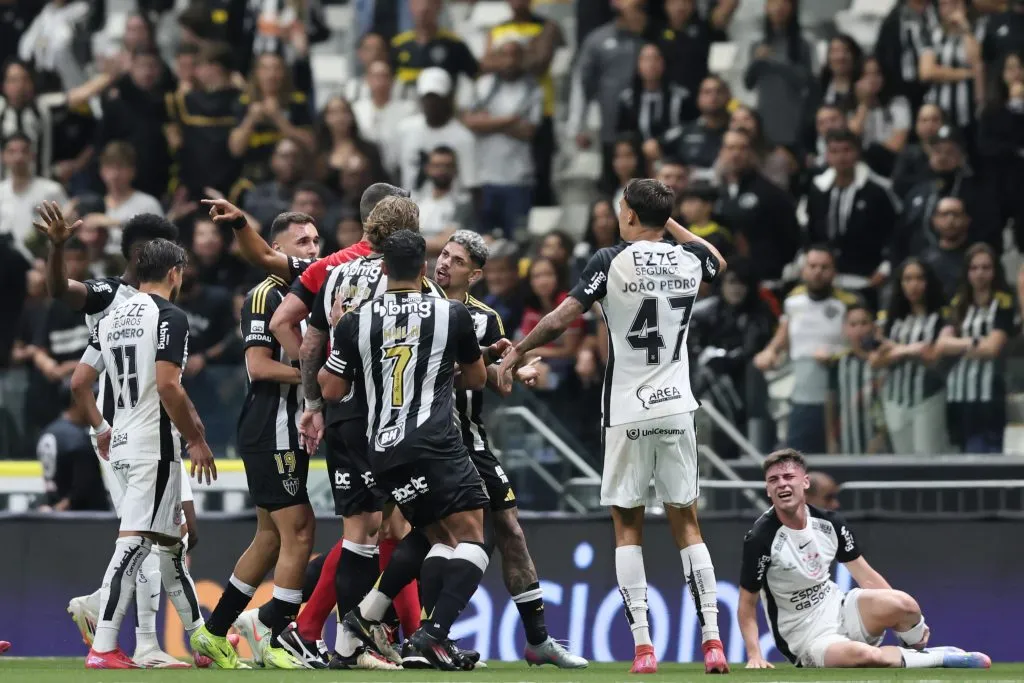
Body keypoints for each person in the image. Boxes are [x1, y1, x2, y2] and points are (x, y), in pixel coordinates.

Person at [499, 179, 729, 674]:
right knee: (687, 524)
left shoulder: (609, 261)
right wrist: (665, 220)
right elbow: (716, 260)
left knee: (628, 527)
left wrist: (517, 349)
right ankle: (712, 640)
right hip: (676, 406)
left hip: (627, 409)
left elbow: (562, 317)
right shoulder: (689, 260)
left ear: (627, 213)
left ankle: (644, 648)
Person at [322, 229, 491, 671]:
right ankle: (431, 635)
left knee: (434, 536)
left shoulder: (356, 320)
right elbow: (476, 380)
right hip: (434, 442)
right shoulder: (451, 313)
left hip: (382, 451)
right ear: (422, 269)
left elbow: (333, 387)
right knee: (473, 537)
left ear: (382, 269)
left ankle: (367, 617)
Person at [36, 208, 194, 668]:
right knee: (142, 535)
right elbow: (60, 290)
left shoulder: (155, 307)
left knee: (171, 534)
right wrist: (100, 427)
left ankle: (107, 608)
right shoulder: (111, 296)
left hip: (154, 430)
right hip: (126, 433)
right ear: (148, 255)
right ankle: (141, 641)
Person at [280, 197, 429, 668]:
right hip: (387, 417)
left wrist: (312, 405)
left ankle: (350, 638)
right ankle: (360, 640)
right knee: (397, 528)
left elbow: (309, 344)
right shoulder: (404, 281)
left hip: (341, 413)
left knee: (364, 533)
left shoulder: (338, 274)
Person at [430, 231, 587, 668]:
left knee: (510, 532)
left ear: (475, 274)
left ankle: (537, 640)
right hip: (420, 440)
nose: (444, 264)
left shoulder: (488, 321)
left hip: (469, 439)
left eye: (456, 261)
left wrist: (513, 373)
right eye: (443, 255)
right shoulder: (414, 302)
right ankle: (413, 634)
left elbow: (492, 379)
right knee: (418, 540)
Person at [74, 239, 216, 670]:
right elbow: (169, 384)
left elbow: (79, 380)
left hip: (121, 441)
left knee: (172, 546)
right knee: (134, 544)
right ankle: (104, 645)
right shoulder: (170, 316)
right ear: (175, 272)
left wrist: (101, 427)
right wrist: (195, 439)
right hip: (153, 445)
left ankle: (203, 641)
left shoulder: (112, 316)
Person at [191, 213, 322, 670]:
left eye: (316, 239)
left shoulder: (315, 290)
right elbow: (258, 367)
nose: (312, 247)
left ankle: (213, 632)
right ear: (277, 248)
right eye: (302, 241)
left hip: (286, 426)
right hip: (273, 425)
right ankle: (275, 633)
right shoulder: (267, 294)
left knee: (269, 537)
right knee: (300, 528)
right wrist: (318, 381)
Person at [738, 448, 990, 670]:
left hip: (840, 610)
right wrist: (754, 655)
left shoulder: (830, 522)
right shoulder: (761, 538)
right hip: (806, 639)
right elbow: (747, 606)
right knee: (865, 656)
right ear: (768, 490)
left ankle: (918, 648)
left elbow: (865, 575)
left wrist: (903, 615)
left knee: (905, 603)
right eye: (774, 480)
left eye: (788, 477)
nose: (782, 484)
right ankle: (939, 659)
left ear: (804, 482)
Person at [755, 247, 857, 454]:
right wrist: (771, 351)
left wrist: (837, 356)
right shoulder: (793, 302)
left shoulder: (848, 304)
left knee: (837, 453)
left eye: (824, 267)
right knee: (800, 455)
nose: (818, 272)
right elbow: (783, 334)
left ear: (834, 272)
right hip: (802, 390)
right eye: (812, 266)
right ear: (803, 271)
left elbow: (859, 344)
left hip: (839, 388)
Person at [481, 0, 565, 207]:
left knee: (541, 173)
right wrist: (527, 51)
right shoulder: (498, 28)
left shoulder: (548, 26)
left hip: (541, 109)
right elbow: (485, 64)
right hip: (503, 112)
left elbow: (540, 64)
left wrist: (505, 58)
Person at [936, 244, 1015, 453]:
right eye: (974, 268)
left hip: (990, 393)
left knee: (987, 455)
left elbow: (992, 349)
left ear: (995, 270)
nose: (980, 273)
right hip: (958, 393)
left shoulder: (1004, 302)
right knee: (961, 453)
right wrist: (973, 343)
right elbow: (942, 344)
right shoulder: (959, 302)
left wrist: (960, 345)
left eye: (986, 267)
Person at [464, 39, 542, 240]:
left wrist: (489, 121)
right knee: (483, 242)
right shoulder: (484, 85)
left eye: (515, 55)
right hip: (485, 178)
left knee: (516, 240)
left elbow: (528, 131)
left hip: (518, 178)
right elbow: (471, 122)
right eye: (504, 55)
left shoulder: (533, 88)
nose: (509, 61)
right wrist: (511, 118)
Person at [805, 128, 899, 295]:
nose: (841, 157)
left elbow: (894, 232)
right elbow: (811, 230)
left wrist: (885, 267)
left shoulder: (876, 191)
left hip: (865, 277)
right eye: (834, 151)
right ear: (827, 155)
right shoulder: (818, 189)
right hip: (826, 279)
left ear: (857, 153)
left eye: (847, 150)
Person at [872, 258, 949, 455]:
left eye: (919, 278)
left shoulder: (941, 318)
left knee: (927, 460)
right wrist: (910, 350)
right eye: (907, 279)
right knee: (902, 462)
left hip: (928, 398)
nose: (913, 285)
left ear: (928, 282)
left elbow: (932, 356)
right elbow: (876, 360)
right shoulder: (892, 320)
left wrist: (896, 350)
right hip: (895, 400)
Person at [229, 52, 314, 185]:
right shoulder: (243, 102)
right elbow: (235, 149)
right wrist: (250, 120)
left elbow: (310, 145)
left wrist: (279, 119)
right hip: (252, 179)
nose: (271, 75)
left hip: (292, 179)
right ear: (256, 73)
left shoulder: (297, 102)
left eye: (277, 68)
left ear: (285, 73)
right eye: (265, 69)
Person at [743, 0, 815, 148]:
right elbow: (748, 83)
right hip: (765, 118)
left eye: (784, 3)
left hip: (793, 120)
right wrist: (756, 61)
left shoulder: (802, 44)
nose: (779, 7)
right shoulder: (757, 44)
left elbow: (805, 82)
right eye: (773, 2)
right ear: (766, 7)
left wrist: (774, 60)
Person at [396, 68, 477, 194]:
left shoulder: (463, 137)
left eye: (437, 98)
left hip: (449, 210)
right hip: (409, 207)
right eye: (427, 98)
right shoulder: (405, 129)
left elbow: (471, 184)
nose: (431, 103)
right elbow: (397, 169)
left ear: (448, 98)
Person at [616, 43, 696, 168]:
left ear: (663, 63)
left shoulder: (680, 96)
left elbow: (688, 127)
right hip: (639, 161)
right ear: (638, 65)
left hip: (674, 158)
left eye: (656, 59)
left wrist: (660, 143)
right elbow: (624, 133)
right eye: (646, 59)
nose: (651, 64)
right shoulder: (628, 99)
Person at [36, 384, 109, 512]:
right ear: (78, 401)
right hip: (85, 522)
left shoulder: (49, 432)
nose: (98, 408)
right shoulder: (79, 440)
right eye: (95, 401)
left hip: (55, 519)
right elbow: (83, 490)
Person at [825, 304, 885, 455]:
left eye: (864, 323)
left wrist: (881, 437)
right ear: (845, 329)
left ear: (873, 327)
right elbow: (831, 405)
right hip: (847, 443)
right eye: (853, 324)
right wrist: (831, 441)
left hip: (880, 444)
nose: (859, 329)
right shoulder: (838, 365)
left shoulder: (884, 362)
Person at [920, 0, 982, 144]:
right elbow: (927, 72)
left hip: (968, 112)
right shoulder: (933, 33)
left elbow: (975, 61)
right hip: (938, 112)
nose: (947, 9)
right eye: (942, 4)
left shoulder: (976, 31)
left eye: (952, 3)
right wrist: (967, 74)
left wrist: (965, 28)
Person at [390, 0, 478, 97]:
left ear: (438, 6)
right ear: (410, 7)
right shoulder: (398, 45)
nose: (422, 9)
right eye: (417, 4)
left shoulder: (454, 45)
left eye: (428, 4)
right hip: (405, 105)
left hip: (442, 107)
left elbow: (475, 76)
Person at [0, 132, 67, 256]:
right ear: (3, 156)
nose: (18, 157)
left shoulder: (52, 190)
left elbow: (66, 226)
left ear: (32, 155)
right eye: (12, 152)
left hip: (43, 259)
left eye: (24, 151)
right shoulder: (1, 192)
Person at [848, 57, 912, 176]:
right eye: (865, 75)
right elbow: (850, 136)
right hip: (857, 165)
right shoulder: (851, 108)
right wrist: (864, 104)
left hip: (888, 163)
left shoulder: (898, 103)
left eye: (876, 74)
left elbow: (897, 144)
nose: (871, 80)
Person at [410, 146, 474, 255]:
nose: (442, 170)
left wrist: (407, 245)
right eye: (437, 166)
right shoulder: (414, 199)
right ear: (427, 168)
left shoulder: (463, 202)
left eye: (448, 166)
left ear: (455, 169)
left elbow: (446, 243)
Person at [665, 75, 731, 174]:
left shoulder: (736, 131)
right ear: (698, 98)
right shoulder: (684, 131)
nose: (713, 97)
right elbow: (652, 148)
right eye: (707, 92)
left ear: (728, 96)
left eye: (718, 92)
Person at [918, 197, 970, 300]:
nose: (950, 220)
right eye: (944, 214)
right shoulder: (924, 260)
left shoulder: (976, 258)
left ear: (966, 219)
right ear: (934, 220)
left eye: (956, 214)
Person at [891, 103, 945, 197]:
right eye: (924, 120)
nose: (929, 125)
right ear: (916, 125)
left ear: (943, 124)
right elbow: (898, 185)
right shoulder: (908, 154)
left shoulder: (952, 153)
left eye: (935, 120)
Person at [819, 34, 864, 113]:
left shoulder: (863, 88)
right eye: (835, 51)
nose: (840, 57)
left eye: (845, 51)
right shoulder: (818, 89)